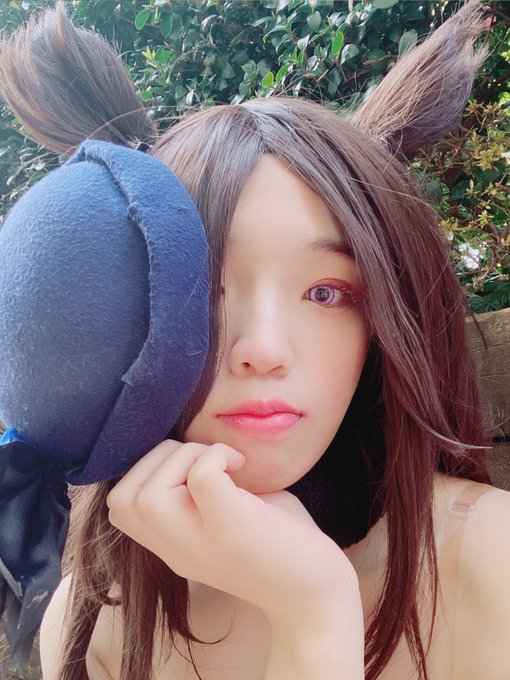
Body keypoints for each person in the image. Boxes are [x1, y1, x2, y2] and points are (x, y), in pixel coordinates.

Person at [0, 2, 509, 679]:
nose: (263, 350)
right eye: (204, 290)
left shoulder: (494, 561)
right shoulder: (90, 619)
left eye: (327, 293)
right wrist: (311, 618)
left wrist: (314, 607)